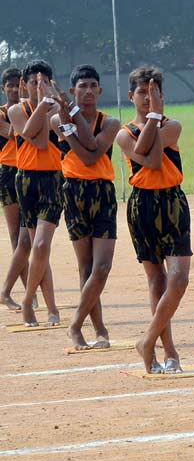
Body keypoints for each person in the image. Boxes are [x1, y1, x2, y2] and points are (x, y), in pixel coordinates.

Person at [116, 67, 192, 374]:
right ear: (131, 95)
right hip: (142, 204)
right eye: (143, 92)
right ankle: (168, 349)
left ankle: (147, 340)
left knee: (179, 278)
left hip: (172, 201)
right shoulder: (123, 133)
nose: (149, 98)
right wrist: (152, 119)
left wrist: (156, 120)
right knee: (156, 280)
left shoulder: (173, 125)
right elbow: (143, 153)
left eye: (155, 92)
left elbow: (155, 157)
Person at [50, 65, 119, 350]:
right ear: (72, 91)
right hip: (75, 191)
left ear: (99, 91)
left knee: (102, 267)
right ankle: (97, 328)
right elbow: (85, 154)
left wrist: (74, 119)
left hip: (103, 192)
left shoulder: (110, 122)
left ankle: (76, 324)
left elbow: (92, 151)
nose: (88, 91)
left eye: (93, 86)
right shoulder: (56, 120)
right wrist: (70, 127)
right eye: (82, 87)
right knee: (86, 267)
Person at [7, 60, 63, 326]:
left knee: (41, 245)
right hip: (26, 181)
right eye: (33, 83)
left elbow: (44, 142)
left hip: (51, 180)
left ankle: (29, 300)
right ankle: (52, 308)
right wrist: (40, 104)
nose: (38, 87)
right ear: (23, 85)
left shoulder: (56, 110)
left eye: (43, 83)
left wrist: (46, 104)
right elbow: (31, 135)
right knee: (39, 249)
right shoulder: (17, 110)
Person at [0, 67, 26, 310]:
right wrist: (24, 116)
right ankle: (18, 290)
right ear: (3, 88)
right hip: (9, 171)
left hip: (30, 172)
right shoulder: (2, 113)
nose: (16, 90)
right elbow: (11, 133)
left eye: (20, 85)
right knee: (17, 235)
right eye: (11, 86)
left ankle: (29, 290)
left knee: (29, 234)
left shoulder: (27, 110)